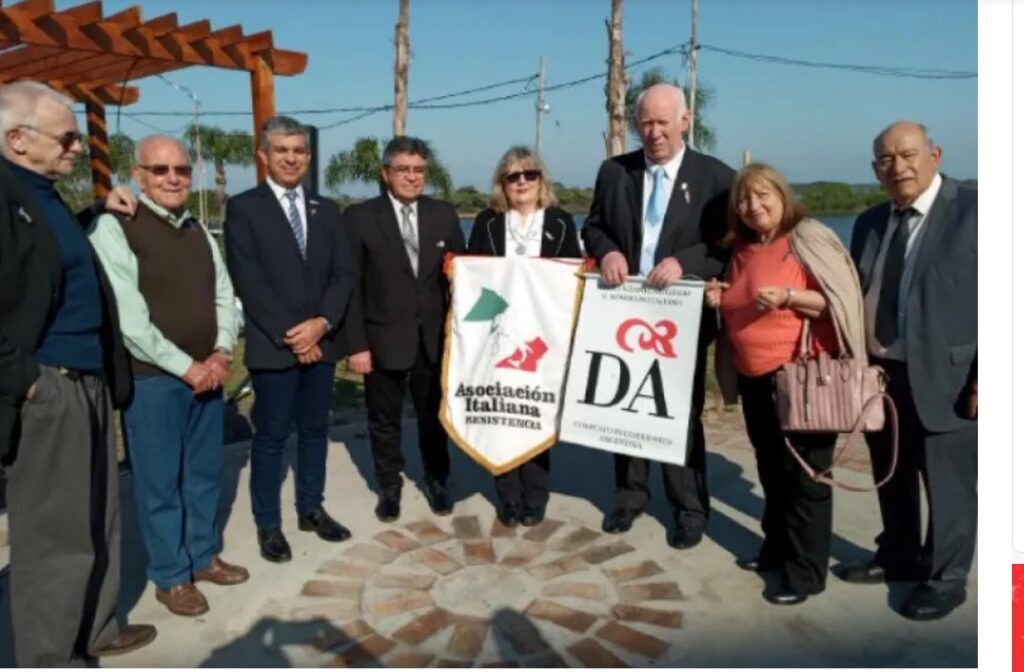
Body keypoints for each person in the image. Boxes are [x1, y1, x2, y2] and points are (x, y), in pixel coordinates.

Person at [0, 81, 156, 664]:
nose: (76, 148)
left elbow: (46, 254)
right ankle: (50, 655)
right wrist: (27, 381)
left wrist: (94, 209)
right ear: (18, 139)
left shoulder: (41, 192)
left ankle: (96, 629)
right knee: (54, 538)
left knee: (101, 517)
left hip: (87, 382)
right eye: (66, 137)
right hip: (51, 387)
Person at [89, 135, 248, 617]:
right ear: (138, 176)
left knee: (202, 475)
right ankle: (171, 576)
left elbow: (224, 293)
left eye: (181, 169)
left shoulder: (198, 228)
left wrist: (221, 353)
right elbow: (129, 319)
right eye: (160, 171)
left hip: (209, 374)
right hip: (155, 381)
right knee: (159, 484)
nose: (173, 178)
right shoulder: (115, 227)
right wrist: (187, 367)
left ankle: (202, 557)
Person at [835, 121, 977, 621]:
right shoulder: (871, 220)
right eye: (886, 160)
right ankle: (898, 555)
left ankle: (946, 577)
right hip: (882, 375)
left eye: (908, 154)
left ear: (935, 154)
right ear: (876, 171)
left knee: (949, 485)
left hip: (953, 378)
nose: (899, 167)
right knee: (891, 474)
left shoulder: (977, 211)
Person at [581, 83, 733, 549]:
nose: (654, 133)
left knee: (678, 414)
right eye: (646, 123)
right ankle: (629, 498)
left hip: (679, 318)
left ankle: (689, 508)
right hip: (623, 312)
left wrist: (685, 262)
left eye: (663, 122)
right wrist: (605, 252)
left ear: (684, 122)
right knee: (624, 407)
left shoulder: (717, 177)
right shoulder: (614, 172)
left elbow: (726, 247)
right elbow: (592, 226)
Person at [706, 162, 865, 605]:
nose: (754, 206)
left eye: (763, 196)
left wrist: (790, 297)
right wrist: (720, 296)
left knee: (806, 478)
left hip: (802, 378)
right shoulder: (742, 248)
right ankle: (776, 550)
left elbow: (840, 299)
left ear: (782, 195)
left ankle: (806, 572)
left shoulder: (806, 238)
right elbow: (737, 304)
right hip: (756, 379)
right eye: (744, 198)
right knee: (772, 470)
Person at [224, 116, 357, 563]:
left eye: (299, 150)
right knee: (272, 436)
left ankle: (310, 508)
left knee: (316, 430)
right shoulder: (244, 209)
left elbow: (344, 274)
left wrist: (322, 323)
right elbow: (249, 280)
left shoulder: (327, 210)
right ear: (264, 155)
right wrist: (296, 336)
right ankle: (268, 523)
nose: (291, 158)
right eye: (282, 150)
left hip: (322, 342)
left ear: (308, 155)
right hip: (274, 346)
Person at [342, 136, 466, 523]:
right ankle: (389, 487)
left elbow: (461, 277)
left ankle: (438, 480)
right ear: (386, 173)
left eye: (419, 170)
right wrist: (357, 345)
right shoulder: (360, 218)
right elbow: (351, 286)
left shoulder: (444, 214)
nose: (412, 178)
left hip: (433, 339)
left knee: (433, 418)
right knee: (384, 420)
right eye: (404, 170)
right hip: (381, 339)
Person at [467, 146, 581, 527]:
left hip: (543, 336)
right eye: (512, 176)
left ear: (541, 179)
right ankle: (508, 497)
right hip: (497, 336)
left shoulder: (562, 222)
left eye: (529, 174)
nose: (521, 182)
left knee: (534, 411)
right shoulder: (487, 222)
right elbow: (474, 276)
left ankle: (536, 495)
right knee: (503, 413)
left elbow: (571, 279)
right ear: (502, 182)